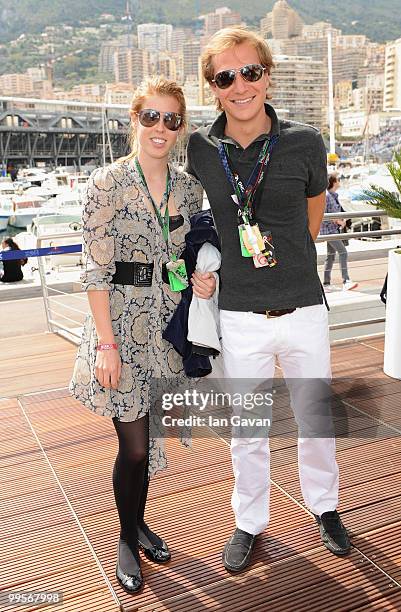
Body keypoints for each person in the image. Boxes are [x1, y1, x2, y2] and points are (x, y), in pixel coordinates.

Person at [185, 26, 350, 573]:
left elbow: (313, 213)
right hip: (240, 316)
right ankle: (249, 520)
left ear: (267, 75)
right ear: (213, 87)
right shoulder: (201, 149)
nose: (239, 85)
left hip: (303, 307)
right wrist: (204, 269)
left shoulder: (305, 141)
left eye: (249, 72)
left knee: (314, 416)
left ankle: (324, 507)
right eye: (225, 77)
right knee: (246, 428)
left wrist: (291, 261)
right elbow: (191, 220)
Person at [70, 76, 215, 594]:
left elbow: (193, 252)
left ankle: (140, 522)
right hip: (121, 327)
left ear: (181, 127)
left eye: (171, 119)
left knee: (148, 439)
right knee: (132, 447)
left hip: (166, 328)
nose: (160, 128)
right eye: (150, 116)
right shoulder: (106, 184)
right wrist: (105, 344)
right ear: (135, 120)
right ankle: (126, 541)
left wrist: (204, 277)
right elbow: (93, 270)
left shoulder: (188, 187)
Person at [321, 173, 357, 291]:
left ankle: (326, 284)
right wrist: (340, 222)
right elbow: (328, 214)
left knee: (330, 256)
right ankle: (346, 281)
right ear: (333, 182)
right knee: (343, 252)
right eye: (337, 179)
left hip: (332, 230)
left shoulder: (332, 195)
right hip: (329, 231)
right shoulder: (327, 196)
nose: (339, 181)